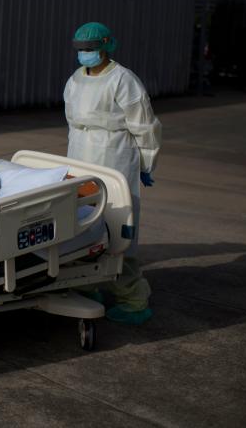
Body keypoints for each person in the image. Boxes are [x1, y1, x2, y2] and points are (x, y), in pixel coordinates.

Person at [63, 22, 162, 325]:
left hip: (115, 156)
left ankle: (133, 299)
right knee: (83, 222)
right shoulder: (75, 79)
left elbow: (144, 125)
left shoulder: (123, 80)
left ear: (106, 46)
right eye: (81, 50)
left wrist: (146, 163)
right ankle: (85, 285)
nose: (85, 55)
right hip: (80, 153)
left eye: (90, 49)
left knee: (120, 227)